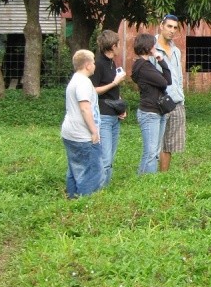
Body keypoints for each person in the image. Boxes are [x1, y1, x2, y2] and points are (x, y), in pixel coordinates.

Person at [61, 50, 102, 198]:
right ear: (87, 65)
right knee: (92, 172)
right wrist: (94, 131)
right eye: (93, 62)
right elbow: (85, 108)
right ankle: (86, 205)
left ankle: (72, 199)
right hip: (82, 135)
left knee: (74, 169)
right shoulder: (84, 82)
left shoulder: (75, 79)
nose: (94, 65)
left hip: (69, 132)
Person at [131, 33, 172, 174]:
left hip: (157, 110)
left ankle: (142, 180)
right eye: (153, 45)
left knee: (153, 151)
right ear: (148, 47)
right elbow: (164, 82)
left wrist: (160, 60)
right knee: (151, 153)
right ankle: (148, 184)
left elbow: (168, 80)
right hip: (150, 112)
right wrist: (159, 59)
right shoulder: (143, 66)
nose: (155, 47)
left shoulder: (144, 65)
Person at [90, 30, 127, 186]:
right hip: (103, 115)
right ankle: (99, 190)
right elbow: (92, 90)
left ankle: (105, 189)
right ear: (113, 46)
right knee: (105, 158)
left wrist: (120, 108)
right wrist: (115, 83)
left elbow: (113, 92)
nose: (120, 47)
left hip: (114, 115)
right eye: (118, 44)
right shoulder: (98, 64)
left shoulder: (113, 63)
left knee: (110, 156)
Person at [154, 14, 185, 172]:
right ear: (161, 26)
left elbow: (178, 76)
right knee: (155, 142)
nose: (172, 30)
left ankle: (163, 175)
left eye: (175, 27)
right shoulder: (151, 48)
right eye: (169, 26)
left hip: (176, 101)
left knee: (169, 143)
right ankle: (150, 176)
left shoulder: (176, 51)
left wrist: (182, 96)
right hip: (158, 101)